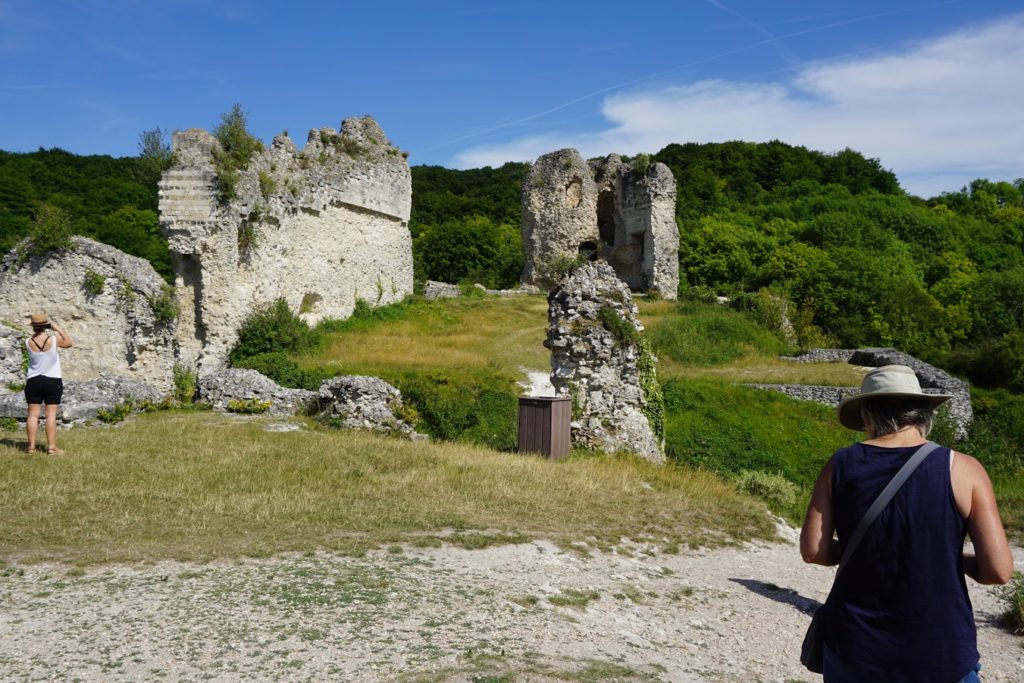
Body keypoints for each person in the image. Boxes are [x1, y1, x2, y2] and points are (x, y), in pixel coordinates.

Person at [800, 364, 1014, 683]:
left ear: (868, 415)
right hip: (940, 651)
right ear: (923, 414)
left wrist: (874, 551)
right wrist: (946, 558)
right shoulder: (964, 468)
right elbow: (998, 570)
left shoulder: (840, 465)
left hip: (855, 648)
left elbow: (814, 551)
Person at [24, 312, 72, 454]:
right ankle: (51, 447)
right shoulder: (54, 340)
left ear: (33, 326)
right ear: (46, 325)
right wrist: (57, 328)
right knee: (50, 415)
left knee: (32, 415)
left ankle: (31, 447)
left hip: (34, 380)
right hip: (52, 380)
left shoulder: (28, 342)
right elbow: (69, 343)